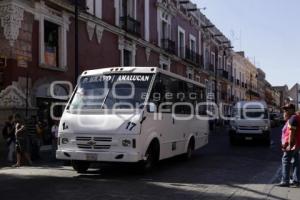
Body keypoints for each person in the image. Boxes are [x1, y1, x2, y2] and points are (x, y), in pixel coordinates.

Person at [277, 104, 300, 187]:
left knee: (286, 161)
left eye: (287, 110)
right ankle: (296, 180)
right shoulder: (293, 118)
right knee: (296, 161)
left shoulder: (293, 118)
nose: (285, 112)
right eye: (284, 110)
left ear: (292, 110)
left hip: (292, 144)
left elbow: (291, 133)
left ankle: (285, 180)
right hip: (296, 144)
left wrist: (289, 144)